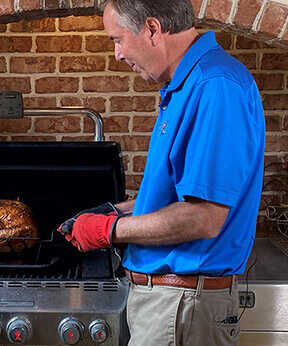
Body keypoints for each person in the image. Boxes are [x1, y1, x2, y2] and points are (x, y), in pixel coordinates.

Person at [57, 0, 266, 345]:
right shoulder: (185, 86)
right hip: (172, 305)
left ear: (152, 29)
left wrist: (110, 230)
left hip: (183, 307)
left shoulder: (215, 86)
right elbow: (181, 196)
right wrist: (117, 210)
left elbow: (203, 217)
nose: (118, 55)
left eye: (118, 39)